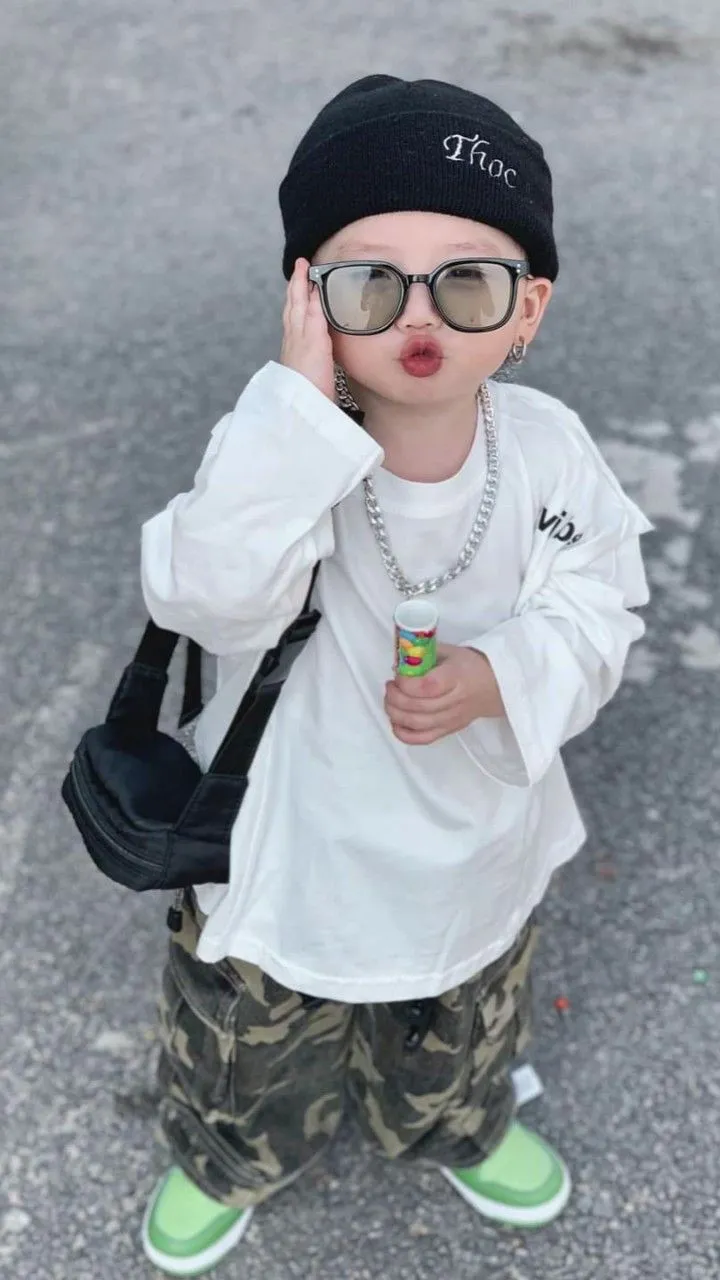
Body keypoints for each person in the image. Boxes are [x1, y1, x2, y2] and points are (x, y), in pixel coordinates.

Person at [138, 75, 651, 1275]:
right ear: (307, 300)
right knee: (247, 1035)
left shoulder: (548, 454)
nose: (419, 316)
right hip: (288, 830)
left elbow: (600, 600)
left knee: (456, 1013)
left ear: (528, 309)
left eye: (467, 283)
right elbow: (204, 590)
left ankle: (454, 1122)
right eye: (369, 283)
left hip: (465, 829)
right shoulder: (277, 445)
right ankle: (230, 1153)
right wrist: (294, 412)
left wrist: (500, 672)